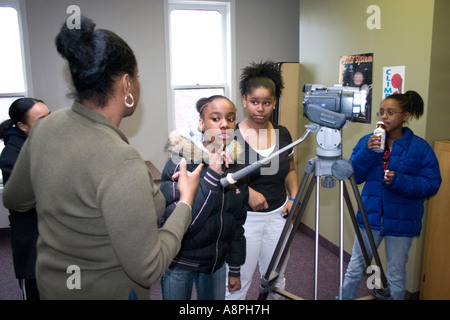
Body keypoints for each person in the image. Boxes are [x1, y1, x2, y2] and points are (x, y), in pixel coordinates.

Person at [2, 16, 202, 300]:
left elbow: (15, 199)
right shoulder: (122, 161)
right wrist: (185, 202)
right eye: (137, 76)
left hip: (53, 287)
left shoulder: (47, 126)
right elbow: (149, 268)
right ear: (126, 84)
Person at [342, 91, 441, 300]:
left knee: (396, 274)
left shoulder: (420, 148)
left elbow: (432, 184)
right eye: (381, 112)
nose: (383, 117)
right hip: (370, 217)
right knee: (355, 268)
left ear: (405, 116)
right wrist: (367, 152)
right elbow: (354, 176)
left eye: (390, 112)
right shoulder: (367, 141)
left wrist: (400, 181)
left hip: (402, 221)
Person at [159, 95, 248, 300]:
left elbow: (237, 220)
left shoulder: (236, 167)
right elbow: (185, 226)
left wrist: (234, 267)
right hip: (179, 263)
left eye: (231, 118)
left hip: (215, 265)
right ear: (202, 124)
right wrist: (212, 175)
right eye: (215, 119)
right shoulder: (180, 163)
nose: (224, 124)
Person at [225, 61, 299, 300]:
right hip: (244, 222)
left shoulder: (283, 133)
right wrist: (247, 193)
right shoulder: (230, 136)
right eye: (255, 101)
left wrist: (294, 196)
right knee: (238, 284)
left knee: (276, 279)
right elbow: (219, 180)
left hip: (279, 216)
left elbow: (290, 169)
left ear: (274, 102)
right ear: (244, 100)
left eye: (267, 102)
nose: (260, 108)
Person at [0, 97, 50, 300]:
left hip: (53, 238)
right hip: (33, 241)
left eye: (49, 116)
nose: (48, 123)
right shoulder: (12, 155)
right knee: (37, 292)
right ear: (22, 126)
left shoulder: (43, 141)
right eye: (41, 119)